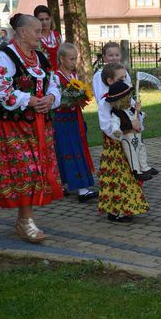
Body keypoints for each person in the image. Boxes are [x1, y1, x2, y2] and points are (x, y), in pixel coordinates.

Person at [0, 13, 63, 243]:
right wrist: (28, 100)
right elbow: (0, 89)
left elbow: (54, 82)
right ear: (22, 32)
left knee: (36, 170)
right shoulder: (5, 56)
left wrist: (50, 98)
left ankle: (24, 219)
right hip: (13, 126)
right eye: (37, 31)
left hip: (38, 124)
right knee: (25, 170)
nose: (41, 34)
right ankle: (25, 221)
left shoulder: (41, 57)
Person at [96, 63, 148, 222]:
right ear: (110, 81)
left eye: (126, 77)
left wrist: (138, 120)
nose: (126, 80)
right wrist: (127, 128)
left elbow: (134, 115)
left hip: (130, 142)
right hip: (116, 147)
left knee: (131, 175)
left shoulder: (127, 97)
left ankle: (125, 207)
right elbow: (106, 126)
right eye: (121, 78)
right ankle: (117, 210)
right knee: (118, 178)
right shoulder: (105, 102)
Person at [53, 42, 98, 203]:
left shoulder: (73, 76)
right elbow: (54, 100)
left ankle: (76, 186)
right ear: (61, 58)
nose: (74, 62)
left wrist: (80, 99)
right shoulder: (55, 77)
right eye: (71, 59)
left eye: (75, 59)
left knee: (76, 150)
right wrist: (69, 101)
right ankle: (75, 186)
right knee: (66, 151)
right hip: (61, 121)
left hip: (73, 119)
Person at [105, 80, 154, 181]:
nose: (129, 101)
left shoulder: (131, 109)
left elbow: (137, 117)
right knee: (132, 153)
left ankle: (144, 167)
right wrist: (116, 130)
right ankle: (136, 171)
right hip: (128, 137)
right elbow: (115, 123)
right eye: (126, 99)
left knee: (141, 149)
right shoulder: (117, 113)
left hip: (137, 136)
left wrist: (140, 112)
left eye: (129, 98)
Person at [34, 5, 62, 71]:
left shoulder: (57, 36)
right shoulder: (34, 37)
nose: (44, 22)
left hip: (57, 72)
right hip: (40, 72)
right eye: (41, 20)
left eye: (47, 19)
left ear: (50, 19)